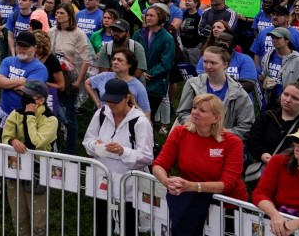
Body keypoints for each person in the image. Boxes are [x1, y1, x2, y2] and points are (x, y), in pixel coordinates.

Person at [152, 94, 248, 236]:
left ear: (216, 118)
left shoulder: (232, 142)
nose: (195, 112)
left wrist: (193, 186)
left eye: (202, 110)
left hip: (226, 206)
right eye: (194, 107)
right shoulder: (180, 133)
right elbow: (159, 164)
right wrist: (166, 181)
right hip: (191, 202)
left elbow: (228, 183)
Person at [83, 79, 154, 236]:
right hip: (102, 182)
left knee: (128, 226)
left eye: (115, 101)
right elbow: (87, 140)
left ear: (127, 98)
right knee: (102, 225)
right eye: (107, 100)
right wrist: (95, 145)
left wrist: (123, 151)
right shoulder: (101, 113)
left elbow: (147, 156)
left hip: (128, 187)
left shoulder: (140, 122)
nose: (111, 105)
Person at [1, 81, 57, 236]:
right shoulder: (16, 113)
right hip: (15, 168)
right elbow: (5, 136)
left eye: (28, 96)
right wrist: (12, 140)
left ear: (41, 100)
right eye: (23, 94)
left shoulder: (50, 119)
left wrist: (30, 115)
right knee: (18, 215)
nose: (24, 98)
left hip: (38, 171)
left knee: (38, 219)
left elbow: (35, 143)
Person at [175, 46, 254, 139]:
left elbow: (246, 125)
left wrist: (220, 134)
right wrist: (197, 128)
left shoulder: (238, 92)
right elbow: (182, 113)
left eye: (213, 63)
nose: (208, 66)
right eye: (205, 62)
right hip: (195, 137)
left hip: (223, 143)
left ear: (225, 65)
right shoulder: (192, 84)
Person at [246, 82, 299, 175]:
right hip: (269, 170)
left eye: (295, 98)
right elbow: (252, 140)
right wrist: (263, 154)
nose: (288, 100)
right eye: (285, 94)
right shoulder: (267, 117)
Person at [49, 5, 93, 154]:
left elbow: (86, 59)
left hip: (71, 79)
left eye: (62, 13)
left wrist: (78, 81)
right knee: (53, 114)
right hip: (54, 78)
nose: (58, 15)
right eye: (57, 12)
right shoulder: (52, 31)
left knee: (69, 116)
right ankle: (55, 146)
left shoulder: (78, 34)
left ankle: (71, 151)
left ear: (69, 16)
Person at [0, 30, 48, 125]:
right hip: (3, 109)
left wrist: (7, 83)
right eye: (19, 46)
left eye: (25, 46)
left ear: (34, 48)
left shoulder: (40, 69)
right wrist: (21, 81)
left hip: (24, 115)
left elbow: (30, 93)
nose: (21, 49)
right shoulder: (7, 61)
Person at [85, 47, 151, 114]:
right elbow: (87, 83)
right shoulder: (104, 76)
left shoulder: (138, 86)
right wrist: (98, 103)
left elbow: (146, 112)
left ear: (130, 64)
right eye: (114, 59)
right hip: (105, 118)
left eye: (120, 60)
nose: (115, 62)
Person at [260, 27, 299, 105]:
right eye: (273, 38)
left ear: (287, 40)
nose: (274, 40)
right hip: (269, 101)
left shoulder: (298, 61)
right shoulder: (268, 56)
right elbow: (263, 75)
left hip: (289, 103)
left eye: (278, 38)